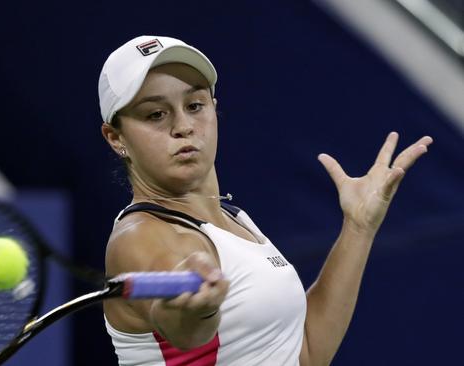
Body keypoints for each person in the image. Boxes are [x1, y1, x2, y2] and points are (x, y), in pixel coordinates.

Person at [98, 35, 432, 366]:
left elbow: (307, 352)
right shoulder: (138, 238)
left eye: (195, 105)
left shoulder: (234, 219)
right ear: (116, 138)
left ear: (214, 108)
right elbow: (185, 333)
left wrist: (358, 228)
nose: (183, 126)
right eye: (156, 114)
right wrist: (193, 309)